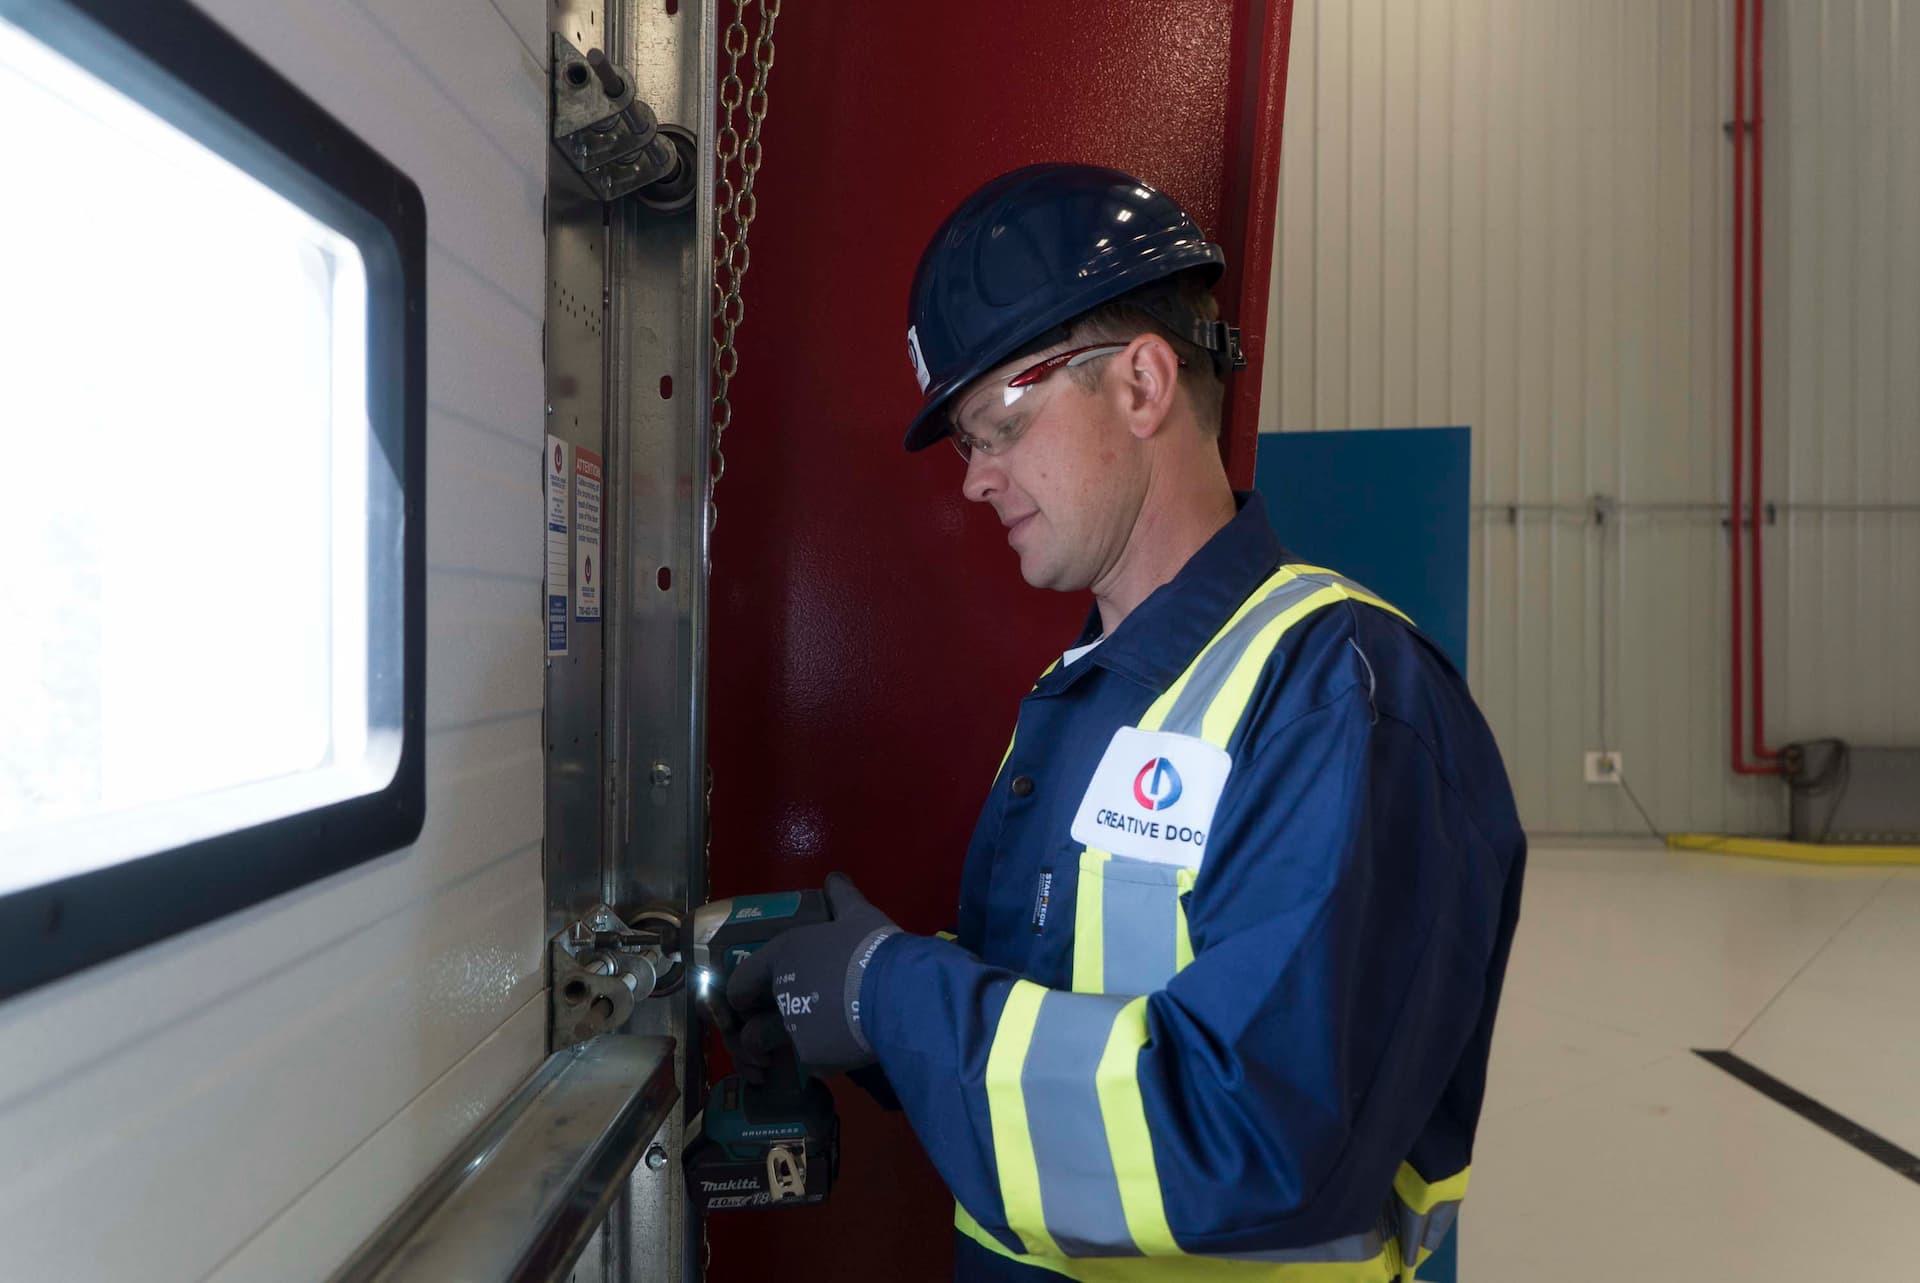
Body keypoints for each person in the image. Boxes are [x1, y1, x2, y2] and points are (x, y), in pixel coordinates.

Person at [728, 163, 1527, 1282]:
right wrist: (865, 1006)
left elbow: (1245, 1131)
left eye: (995, 423)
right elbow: (1075, 1042)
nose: (975, 479)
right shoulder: (1091, 693)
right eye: (967, 441)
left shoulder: (1342, 695)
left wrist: (890, 990)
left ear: (1143, 384)